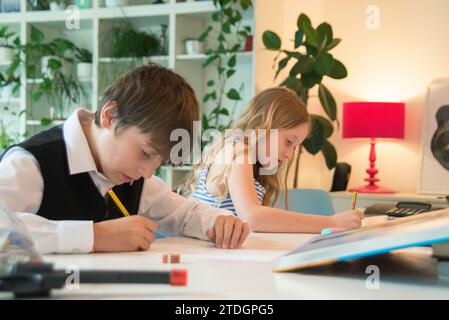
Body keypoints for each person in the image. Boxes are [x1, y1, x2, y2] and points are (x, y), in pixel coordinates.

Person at [0, 63, 249, 254]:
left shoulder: (131, 175)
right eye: (146, 153)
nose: (148, 173)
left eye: (158, 162)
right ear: (111, 115)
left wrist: (220, 222)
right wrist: (92, 236)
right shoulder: (30, 163)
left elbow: (184, 213)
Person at [185, 87, 364, 233]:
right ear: (265, 124)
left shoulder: (253, 164)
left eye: (295, 147)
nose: (290, 154)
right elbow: (252, 217)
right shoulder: (238, 150)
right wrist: (331, 221)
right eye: (289, 142)